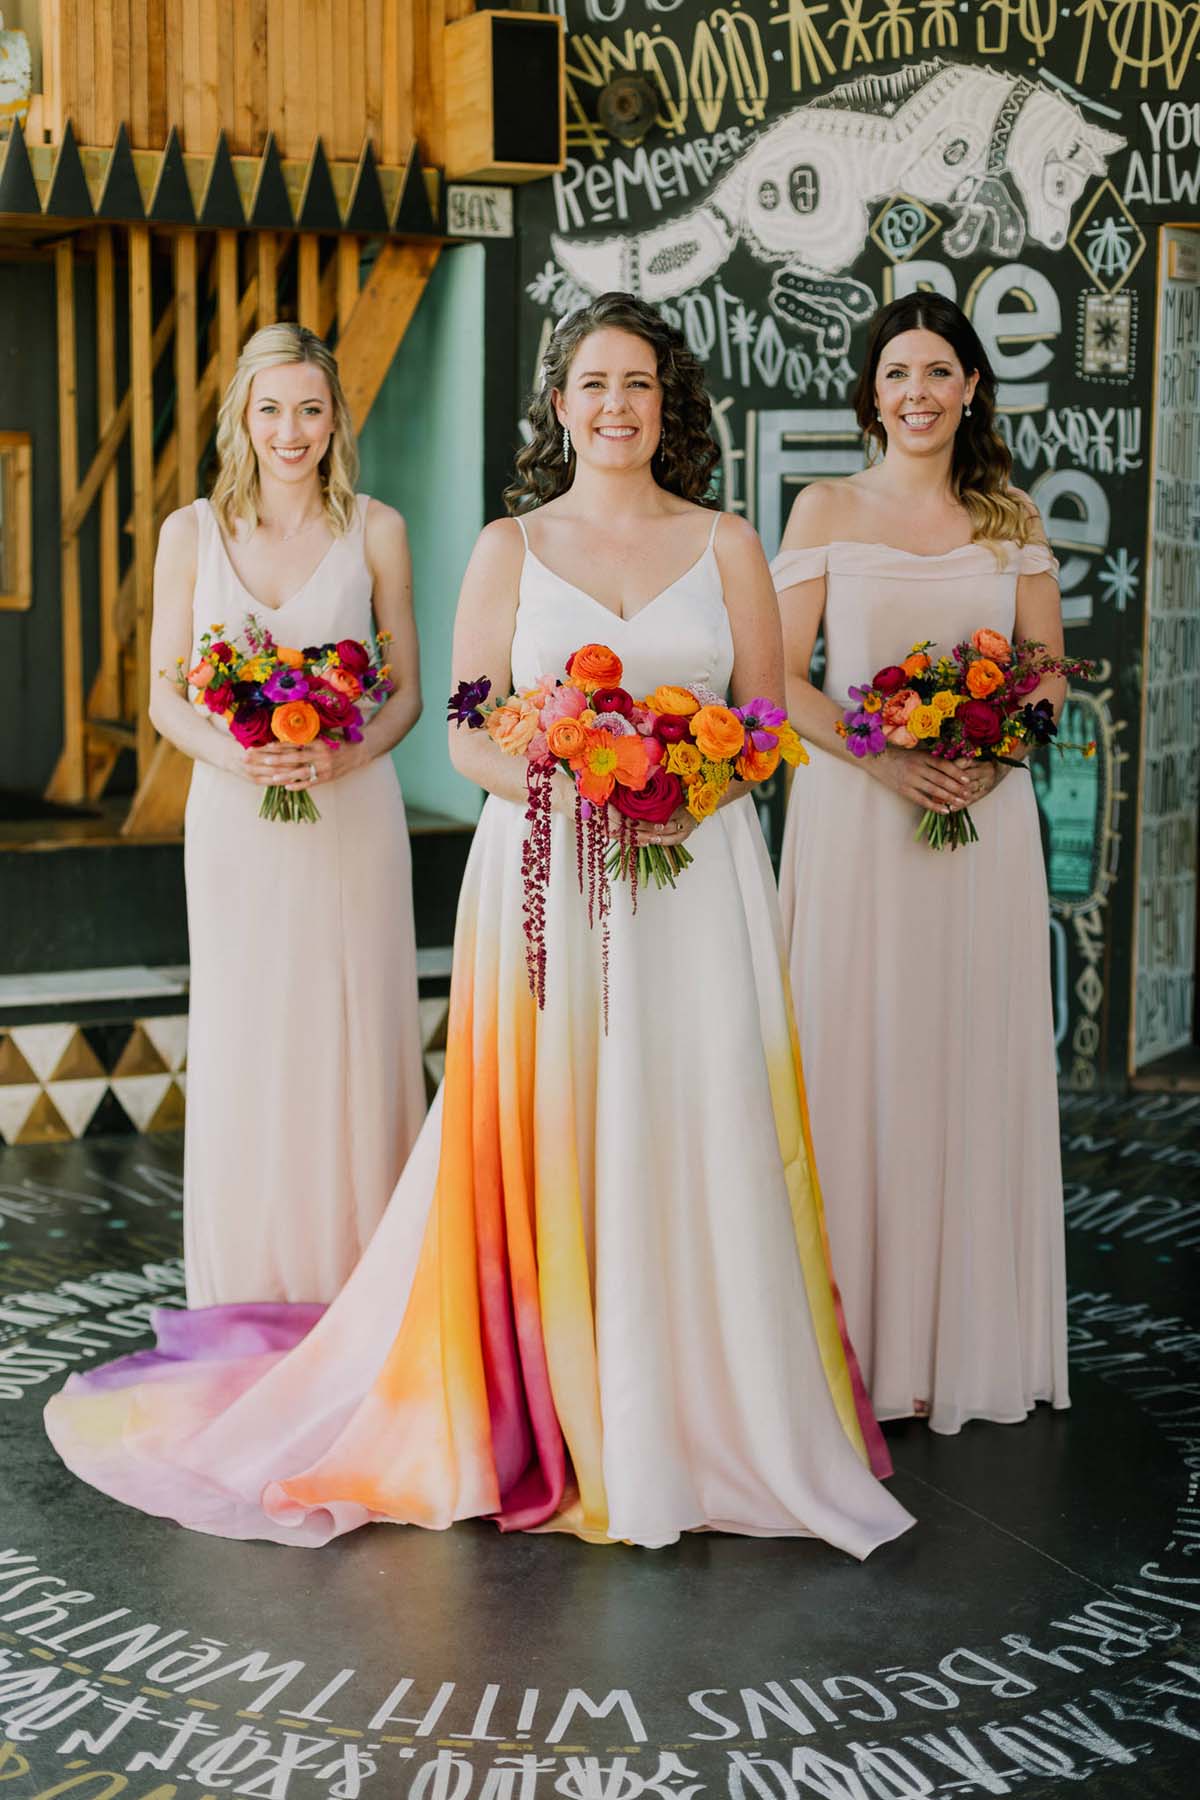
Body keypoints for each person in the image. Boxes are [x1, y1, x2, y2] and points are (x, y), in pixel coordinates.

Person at [45, 294, 913, 1557]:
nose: (615, 406)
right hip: (549, 878)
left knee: (700, 1111)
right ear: (558, 405)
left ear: (667, 407)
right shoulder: (509, 546)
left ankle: (710, 1394)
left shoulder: (730, 542)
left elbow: (770, 723)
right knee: (553, 1126)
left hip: (697, 879)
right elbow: (462, 726)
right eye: (592, 384)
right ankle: (545, 1391)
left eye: (638, 385)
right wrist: (586, 786)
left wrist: (683, 788)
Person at [770, 293, 1070, 1436]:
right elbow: (781, 680)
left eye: (940, 371)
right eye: (898, 372)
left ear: (972, 389)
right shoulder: (824, 507)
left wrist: (996, 759)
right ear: (872, 391)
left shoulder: (1009, 516)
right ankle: (851, 1343)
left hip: (983, 827)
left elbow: (1045, 670)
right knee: (855, 1052)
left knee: (963, 1052)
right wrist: (887, 763)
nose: (918, 393)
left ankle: (966, 1344)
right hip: (858, 820)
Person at [146, 323, 426, 1306]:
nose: (291, 430)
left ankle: (363, 1286)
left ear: (335, 418)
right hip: (234, 824)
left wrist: (342, 750)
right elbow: (166, 694)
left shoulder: (376, 530)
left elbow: (406, 695)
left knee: (354, 1031)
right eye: (271, 409)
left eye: (310, 408)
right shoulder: (192, 534)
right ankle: (249, 1287)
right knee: (250, 1035)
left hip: (352, 817)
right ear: (243, 418)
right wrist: (241, 755)